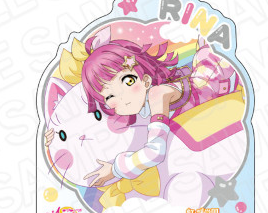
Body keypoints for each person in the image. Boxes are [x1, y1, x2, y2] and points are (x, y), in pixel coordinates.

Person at [78, 26, 236, 187]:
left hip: (220, 74)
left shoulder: (157, 95)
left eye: (128, 81)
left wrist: (115, 169)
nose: (123, 97)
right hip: (204, 69)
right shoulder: (144, 103)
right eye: (110, 96)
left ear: (146, 80)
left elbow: (155, 152)